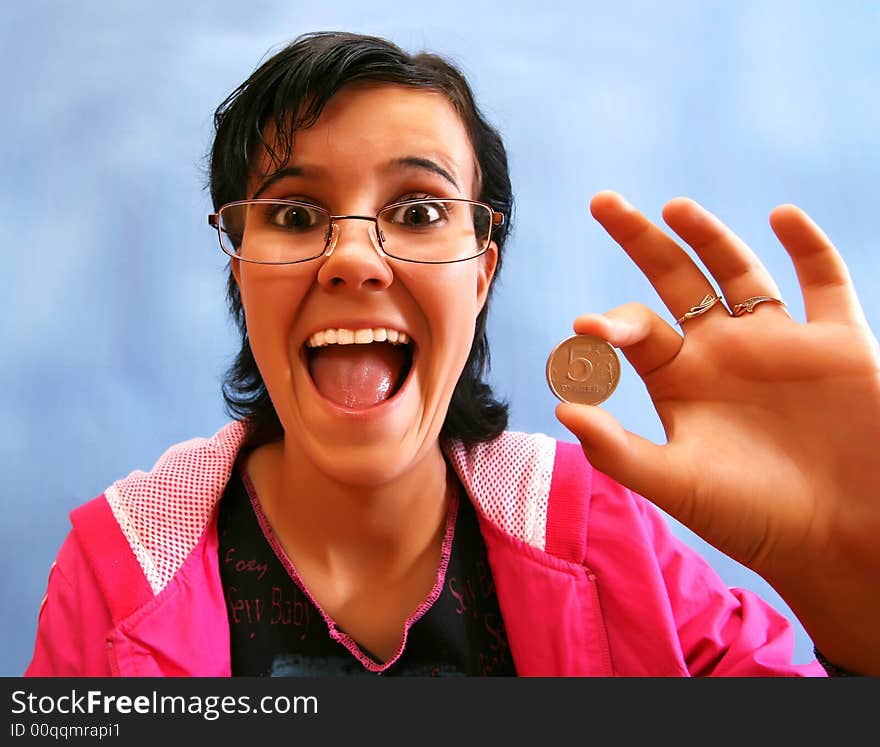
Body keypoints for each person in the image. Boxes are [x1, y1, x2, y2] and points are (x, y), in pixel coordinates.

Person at [25, 30, 879, 677]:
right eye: (293, 215)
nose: (354, 258)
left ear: (482, 272)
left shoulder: (601, 533)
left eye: (419, 211)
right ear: (240, 267)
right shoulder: (118, 565)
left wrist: (850, 582)